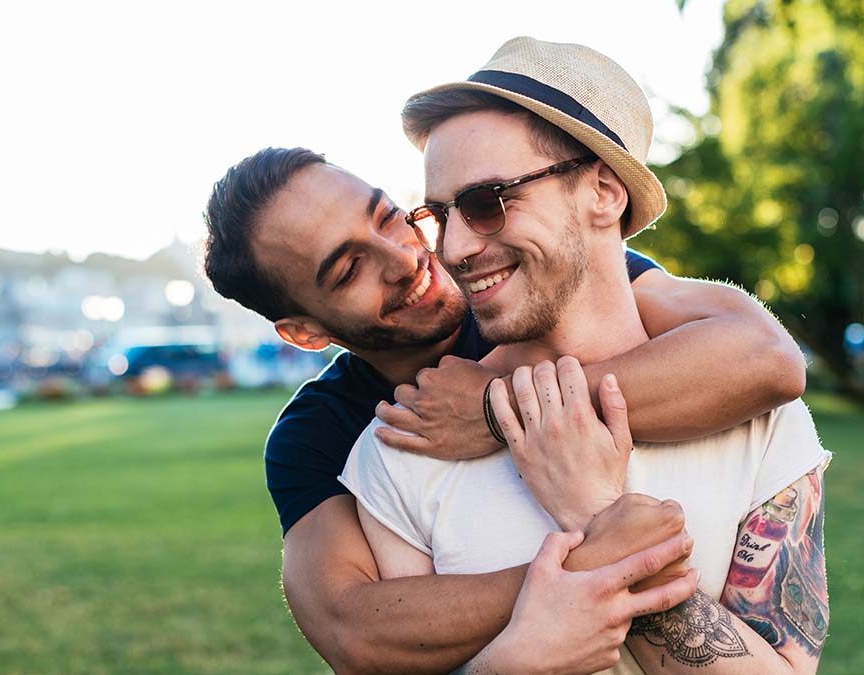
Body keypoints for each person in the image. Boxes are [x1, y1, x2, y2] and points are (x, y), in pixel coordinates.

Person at [203, 86, 805, 675]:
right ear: (306, 332)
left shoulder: (533, 280)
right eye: (350, 268)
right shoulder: (322, 432)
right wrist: (587, 563)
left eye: (391, 218)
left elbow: (763, 357)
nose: (407, 257)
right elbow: (352, 630)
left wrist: (495, 411)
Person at [340, 37, 831, 674]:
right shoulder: (406, 444)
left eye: (488, 203)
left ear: (603, 191)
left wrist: (598, 513)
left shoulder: (763, 424)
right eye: (439, 214)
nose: (454, 248)